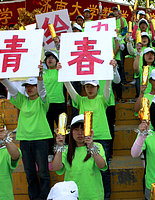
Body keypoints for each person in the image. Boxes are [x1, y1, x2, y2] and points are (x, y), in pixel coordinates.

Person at [61, 59, 117, 199]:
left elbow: (108, 88)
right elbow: (70, 89)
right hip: (83, 139)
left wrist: (110, 70)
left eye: (92, 86)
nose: (90, 89)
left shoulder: (102, 99)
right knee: (86, 168)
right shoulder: (81, 100)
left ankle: (106, 196)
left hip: (101, 138)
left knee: (103, 169)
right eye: (87, 86)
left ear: (97, 87)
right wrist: (62, 74)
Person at [0, 76, 53, 200]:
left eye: (32, 86)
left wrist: (40, 79)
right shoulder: (22, 100)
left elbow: (43, 91)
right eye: (27, 86)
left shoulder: (42, 101)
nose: (29, 88)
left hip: (41, 139)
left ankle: (44, 197)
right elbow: (12, 90)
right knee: (29, 172)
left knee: (43, 172)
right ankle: (34, 197)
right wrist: (3, 80)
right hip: (25, 140)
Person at [52, 114, 107, 200]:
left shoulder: (97, 146)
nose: (80, 133)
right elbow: (56, 167)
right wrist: (59, 146)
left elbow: (102, 166)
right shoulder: (65, 150)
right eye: (76, 129)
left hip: (93, 196)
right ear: (71, 132)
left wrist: (91, 146)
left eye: (83, 129)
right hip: (71, 196)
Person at [42, 50, 67, 160]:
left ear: (57, 60)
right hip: (46, 105)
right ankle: (50, 152)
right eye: (48, 58)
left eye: (52, 57)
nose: (50, 59)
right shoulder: (42, 73)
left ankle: (65, 151)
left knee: (62, 129)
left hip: (60, 103)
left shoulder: (61, 71)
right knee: (48, 130)